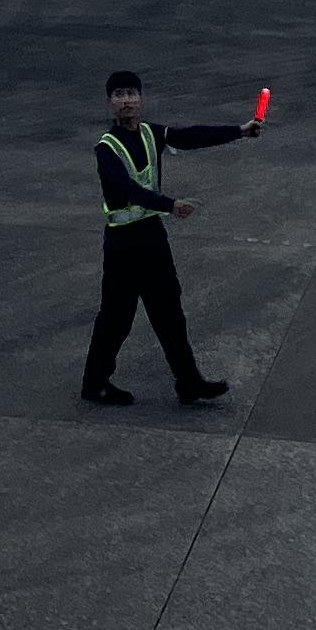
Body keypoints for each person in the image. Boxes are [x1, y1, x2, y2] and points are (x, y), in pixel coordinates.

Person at [82, 67, 263, 407]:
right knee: (116, 318)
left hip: (152, 238)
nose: (126, 101)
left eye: (131, 94)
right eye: (119, 95)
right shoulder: (106, 148)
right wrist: (170, 204)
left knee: (170, 313)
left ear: (141, 99)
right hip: (122, 244)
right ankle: (94, 382)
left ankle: (188, 382)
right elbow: (125, 189)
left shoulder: (151, 133)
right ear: (109, 103)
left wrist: (239, 132)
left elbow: (191, 136)